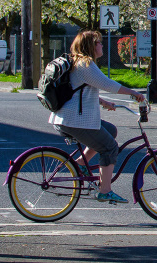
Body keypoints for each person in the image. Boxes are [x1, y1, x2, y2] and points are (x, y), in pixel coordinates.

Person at [49, 30, 146, 203]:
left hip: (68, 118)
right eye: (99, 43)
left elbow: (80, 90)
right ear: (90, 46)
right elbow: (107, 84)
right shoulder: (86, 64)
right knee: (109, 147)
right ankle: (105, 190)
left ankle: (80, 163)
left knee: (110, 130)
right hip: (75, 121)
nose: (101, 45)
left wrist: (102, 102)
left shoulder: (77, 63)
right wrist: (133, 93)